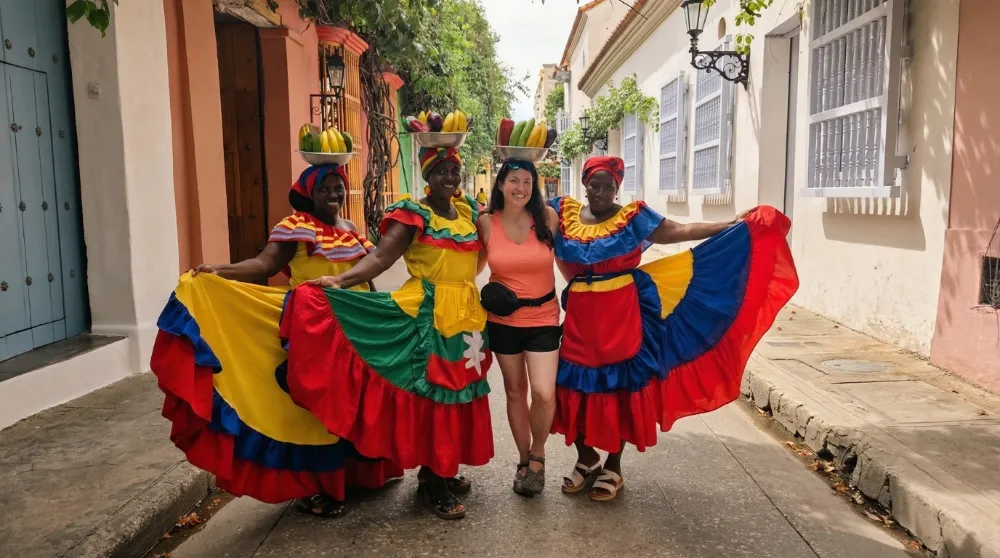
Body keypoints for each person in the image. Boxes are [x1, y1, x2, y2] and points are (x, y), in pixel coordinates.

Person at [150, 164, 403, 518]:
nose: (333, 196)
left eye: (338, 188)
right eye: (325, 190)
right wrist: (219, 271)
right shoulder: (297, 227)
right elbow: (264, 265)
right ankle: (321, 488)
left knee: (353, 403)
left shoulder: (350, 229)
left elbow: (366, 277)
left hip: (356, 330)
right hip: (313, 329)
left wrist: (381, 316)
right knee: (317, 411)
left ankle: (356, 476)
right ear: (310, 194)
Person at [550, 156, 798, 502]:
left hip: (622, 317)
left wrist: (729, 224)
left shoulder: (632, 217)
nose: (601, 192)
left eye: (609, 186)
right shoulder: (564, 215)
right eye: (595, 184)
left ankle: (614, 465)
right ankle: (587, 457)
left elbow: (678, 231)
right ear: (585, 184)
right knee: (569, 385)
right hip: (579, 317)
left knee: (621, 388)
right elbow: (524, 217)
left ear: (617, 187)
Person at [279, 147, 493, 520]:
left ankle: (438, 467)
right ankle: (434, 482)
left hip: (466, 314)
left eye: (454, 170)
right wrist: (341, 281)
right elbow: (380, 258)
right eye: (440, 170)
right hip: (426, 312)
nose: (449, 177)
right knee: (433, 395)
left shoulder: (469, 213)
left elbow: (491, 249)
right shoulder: (414, 213)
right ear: (427, 175)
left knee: (459, 391)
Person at [476, 159, 560, 497]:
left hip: (543, 317)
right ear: (500, 184)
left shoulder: (547, 219)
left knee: (543, 392)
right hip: (502, 321)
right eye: (513, 180)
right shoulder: (486, 223)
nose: (520, 188)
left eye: (527, 181)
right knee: (514, 391)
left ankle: (539, 454)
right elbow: (472, 265)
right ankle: (524, 461)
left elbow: (567, 260)